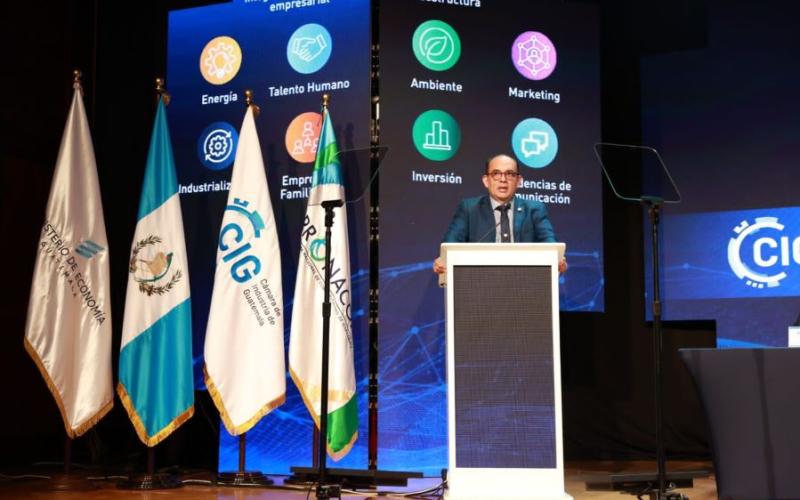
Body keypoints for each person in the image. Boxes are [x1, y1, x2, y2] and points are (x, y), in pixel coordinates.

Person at [432, 154, 567, 274]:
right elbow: (450, 244)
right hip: (480, 283)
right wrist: (442, 260)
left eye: (510, 174)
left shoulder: (534, 209)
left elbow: (549, 242)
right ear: (486, 180)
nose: (503, 179)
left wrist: (557, 259)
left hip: (525, 282)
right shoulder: (469, 208)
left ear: (519, 181)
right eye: (496, 173)